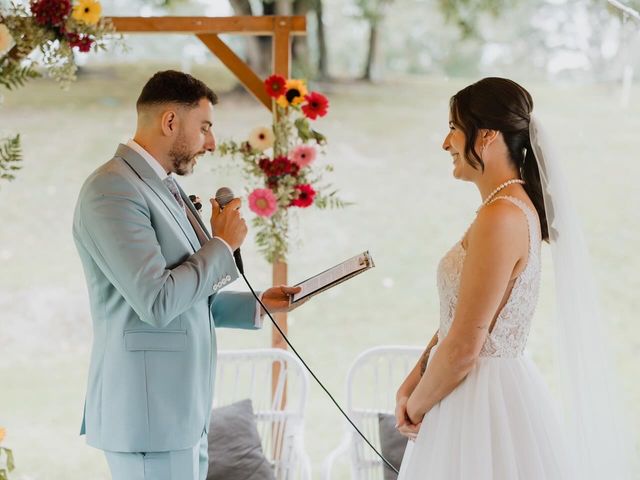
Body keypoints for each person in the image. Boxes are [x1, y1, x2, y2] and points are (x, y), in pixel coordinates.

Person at [394, 77, 633, 479]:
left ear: (485, 136)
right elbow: (458, 321)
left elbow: (467, 347)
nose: (445, 142)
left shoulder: (502, 216)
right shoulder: (503, 210)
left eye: (453, 128)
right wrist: (411, 383)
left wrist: (414, 409)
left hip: (478, 407)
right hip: (470, 394)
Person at [72, 70, 302, 480]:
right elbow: (158, 302)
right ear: (170, 122)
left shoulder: (161, 187)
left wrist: (256, 306)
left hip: (181, 417)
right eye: (205, 127)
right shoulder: (112, 190)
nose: (211, 143)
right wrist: (222, 245)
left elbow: (184, 297)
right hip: (149, 419)